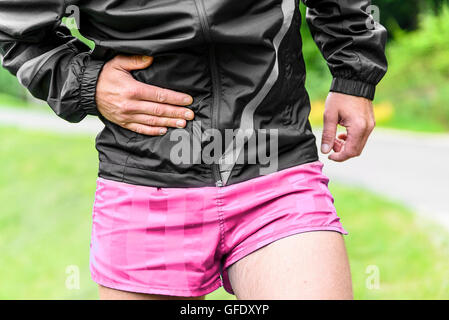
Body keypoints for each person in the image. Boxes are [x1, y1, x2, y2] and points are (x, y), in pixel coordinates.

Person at [0, 0, 387, 300]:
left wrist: (354, 72)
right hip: (145, 182)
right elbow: (16, 29)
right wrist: (88, 83)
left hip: (276, 166)